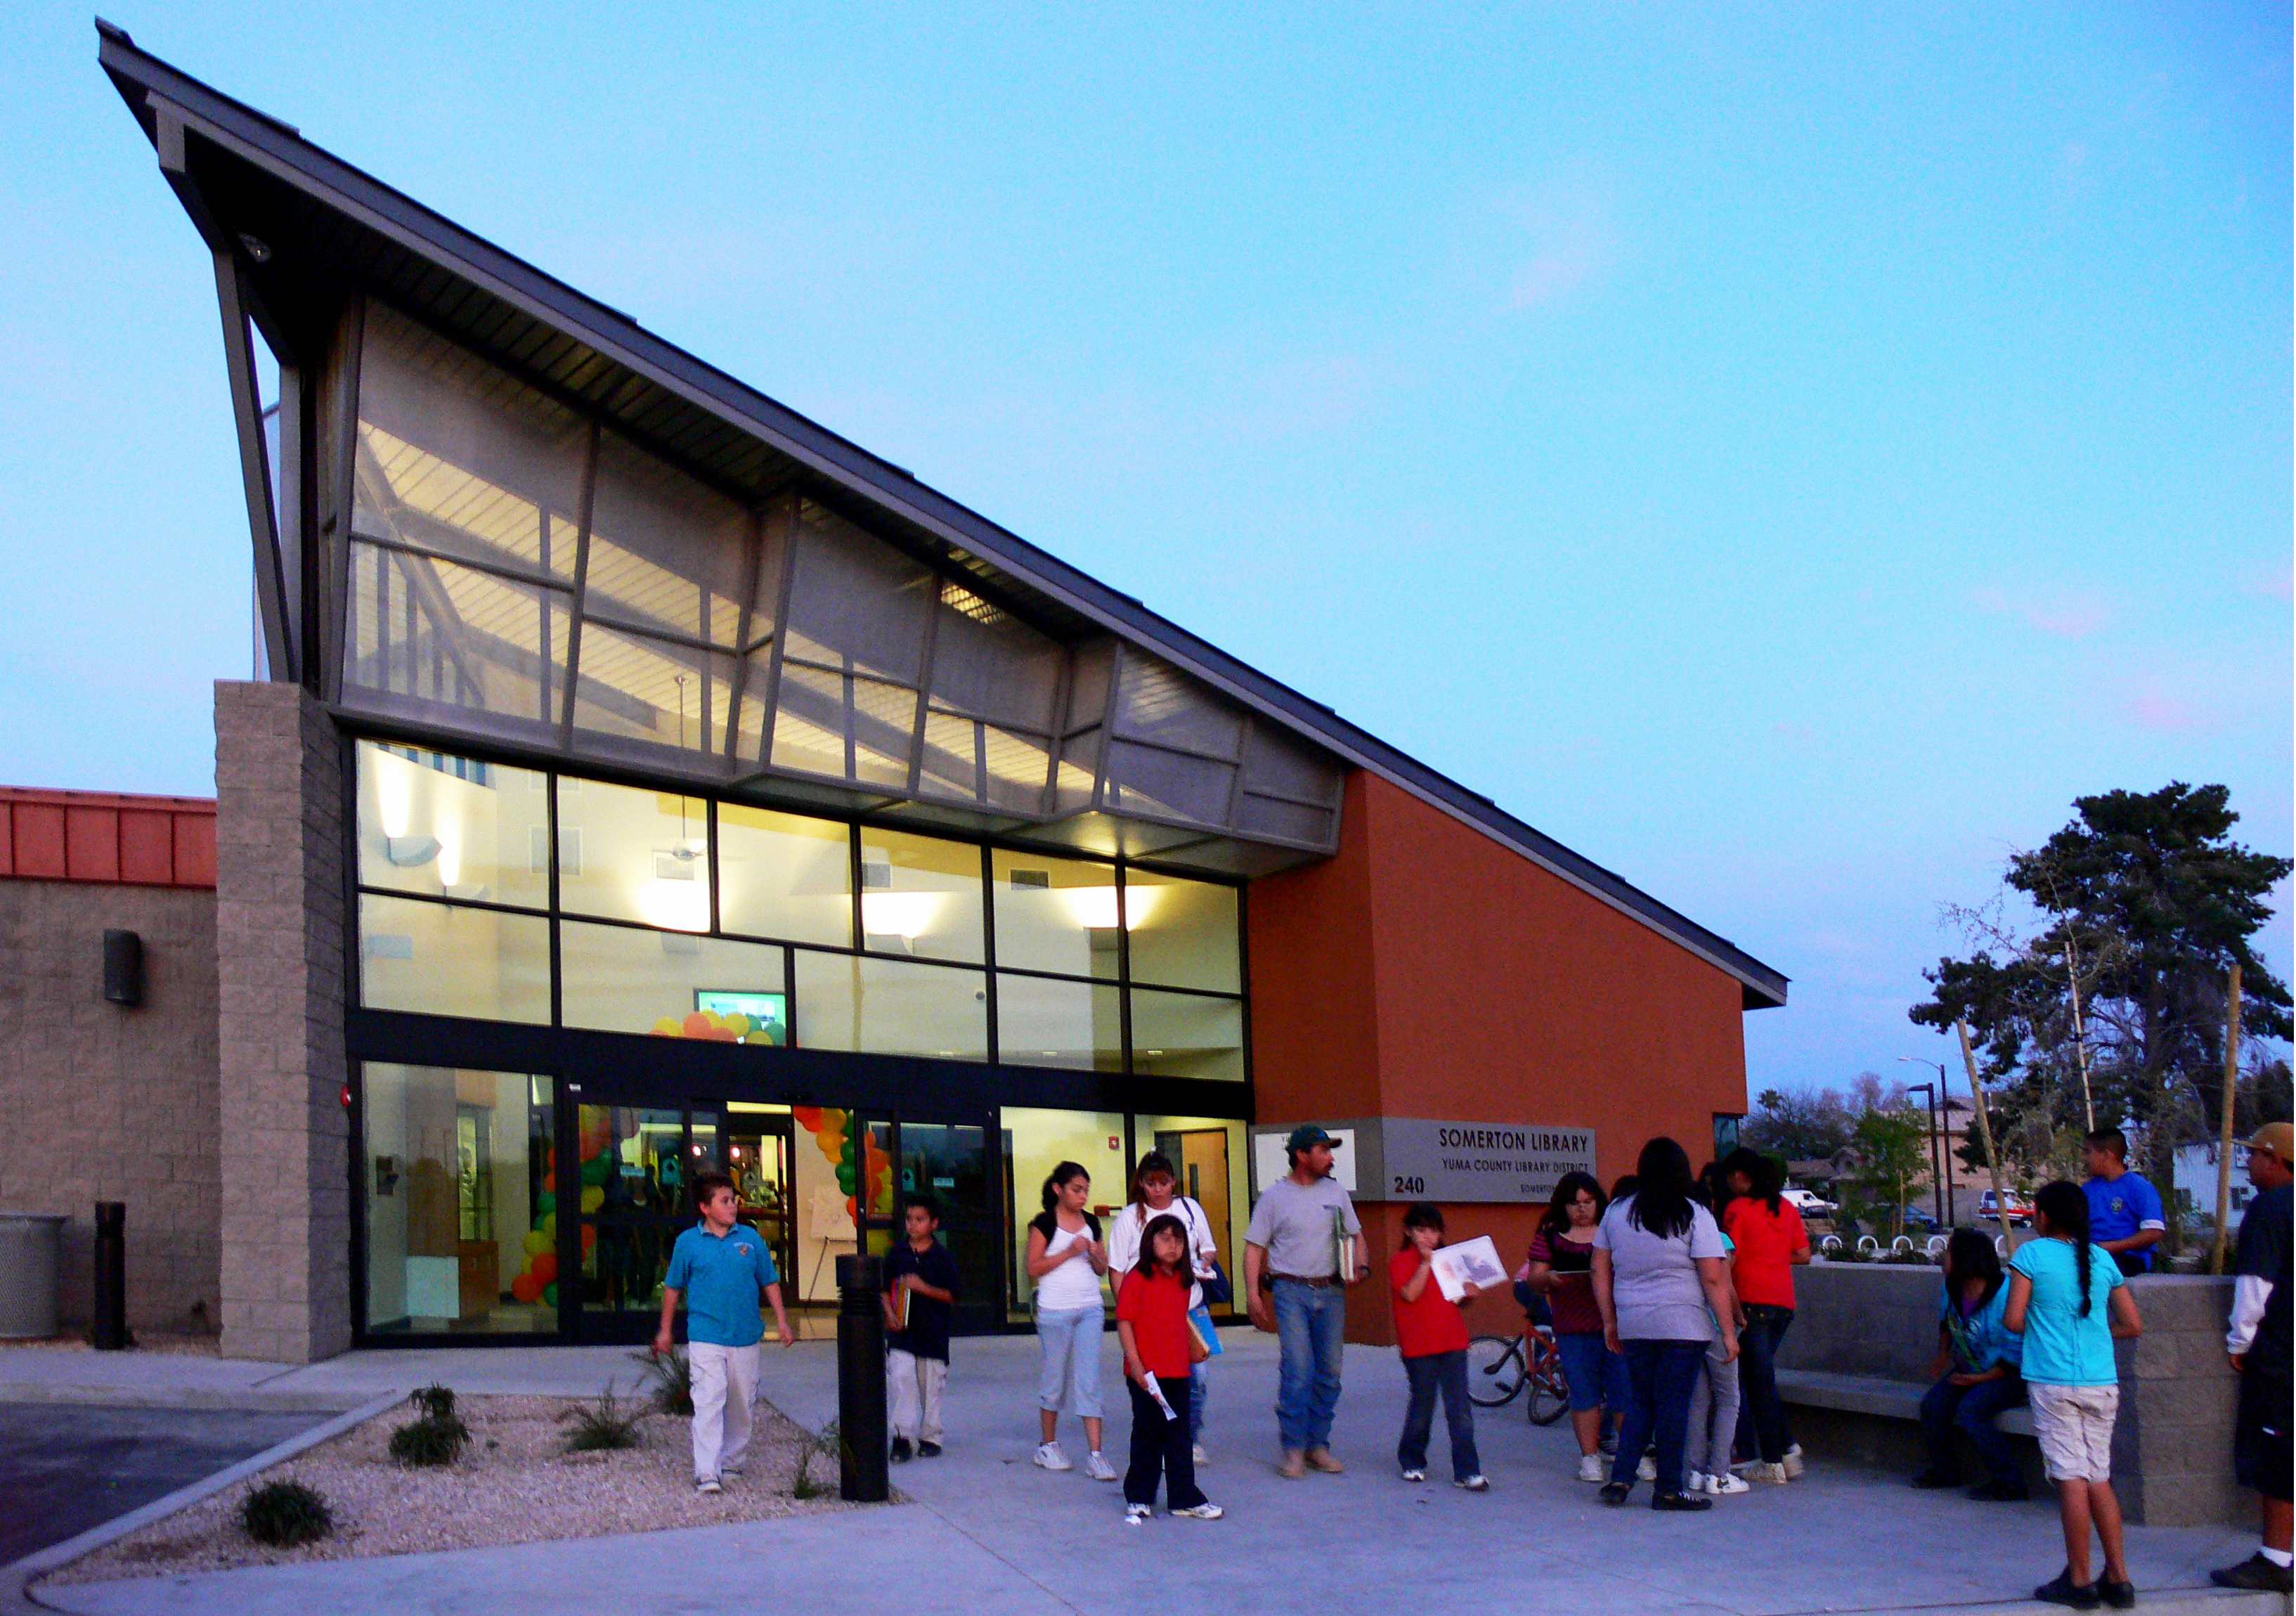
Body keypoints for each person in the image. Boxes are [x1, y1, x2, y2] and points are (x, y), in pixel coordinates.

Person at [2005, 1179, 2145, 1610]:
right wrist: (2096, 1333)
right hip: (2102, 1382)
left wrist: (2049, 1332)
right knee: (2097, 1475)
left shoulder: (2030, 1254)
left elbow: (2012, 1320)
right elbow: (2133, 1324)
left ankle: (2080, 1579)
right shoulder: (2103, 1259)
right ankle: (2119, 1578)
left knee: (2071, 1478)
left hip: (2054, 1383)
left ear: (2043, 1216)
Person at [1592, 1137, 1738, 1511]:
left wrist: (1610, 1320)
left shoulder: (1617, 1212)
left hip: (1634, 1320)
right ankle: (1669, 1489)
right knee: (1674, 1405)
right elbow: (1713, 1278)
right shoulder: (1695, 1213)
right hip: (1683, 1324)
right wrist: (1727, 1330)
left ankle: (1621, 1480)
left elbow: (1599, 1268)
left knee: (1640, 1401)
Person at [652, 1170, 796, 1494]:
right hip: (705, 1336)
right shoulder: (688, 1242)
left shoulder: (751, 1239)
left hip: (745, 1336)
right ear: (705, 1207)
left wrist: (783, 1321)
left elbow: (769, 1281)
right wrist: (665, 1330)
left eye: (734, 1200)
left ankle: (732, 1461)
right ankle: (707, 1472)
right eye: (725, 1201)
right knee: (707, 1400)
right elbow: (673, 1288)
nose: (733, 1206)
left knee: (742, 1402)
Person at [1243, 1123, 1368, 1479]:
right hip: (1290, 1291)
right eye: (1323, 1151)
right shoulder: (1274, 1197)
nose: (1330, 1158)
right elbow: (1254, 1248)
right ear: (1302, 1155)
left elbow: (1357, 1236)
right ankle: (1294, 1448)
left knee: (1330, 1372)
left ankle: (1318, 1445)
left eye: (1330, 1151)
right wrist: (1253, 1294)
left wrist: (1361, 1265)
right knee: (1298, 1371)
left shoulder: (1337, 1193)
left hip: (1331, 1291)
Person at [2212, 1122, 2293, 1594]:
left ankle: (2276, 1558)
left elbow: (2254, 1288)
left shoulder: (2269, 1208)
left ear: (2275, 1159)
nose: (2248, 1163)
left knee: (2278, 1452)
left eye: (2254, 1155)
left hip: (2282, 1356)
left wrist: (2238, 1343)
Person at [1107, 1150, 1222, 1467]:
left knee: (1197, 1376)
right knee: (1153, 1379)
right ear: (1142, 1185)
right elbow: (1116, 1268)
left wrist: (1202, 1263)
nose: (1158, 1189)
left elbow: (1208, 1248)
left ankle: (1189, 1437)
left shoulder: (1190, 1208)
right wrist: (1127, 1308)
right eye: (1151, 1183)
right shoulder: (1130, 1217)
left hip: (1191, 1305)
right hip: (1148, 1309)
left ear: (1173, 1181)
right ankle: (1159, 1441)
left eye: (1164, 1182)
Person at [1115, 1212, 1223, 1522]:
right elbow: (1125, 1322)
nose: (1173, 1246)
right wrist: (1135, 1364)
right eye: (1165, 1238)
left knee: (1179, 1437)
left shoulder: (1183, 1280)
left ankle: (1184, 1497)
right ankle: (1138, 1496)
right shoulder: (1137, 1278)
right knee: (1147, 1434)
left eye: (1178, 1240)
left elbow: (1180, 1322)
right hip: (1146, 1373)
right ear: (1150, 1242)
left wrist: (1197, 1348)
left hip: (1178, 1371)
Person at [1525, 1170, 1630, 1482]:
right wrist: (1548, 1278)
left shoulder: (1615, 1232)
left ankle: (1630, 1454)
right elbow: (1533, 1278)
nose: (1582, 1209)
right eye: (1574, 1203)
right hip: (1573, 1328)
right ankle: (1590, 1458)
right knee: (1584, 1395)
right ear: (1563, 1206)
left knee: (1624, 1393)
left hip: (1615, 1325)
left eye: (1588, 1201)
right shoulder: (1549, 1237)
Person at [1913, 1226, 2028, 1501]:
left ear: (1966, 1258)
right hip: (1972, 1370)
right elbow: (1946, 1322)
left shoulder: (2006, 1294)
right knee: (1932, 1406)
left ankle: (2010, 1482)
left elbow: (2016, 1354)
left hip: (2009, 1374)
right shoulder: (1951, 1287)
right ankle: (1946, 1471)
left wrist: (1977, 1380)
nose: (1944, 1257)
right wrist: (1943, 1354)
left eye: (1950, 1252)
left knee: (1971, 1410)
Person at [1720, 1146, 1810, 1483]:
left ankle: (1775, 1458)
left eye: (1731, 1176)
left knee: (1759, 1384)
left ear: (1741, 1176)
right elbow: (1803, 1254)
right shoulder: (1785, 1208)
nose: (1729, 1183)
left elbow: (1728, 1256)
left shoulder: (1737, 1209)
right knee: (1760, 1379)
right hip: (1782, 1303)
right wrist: (1772, 1256)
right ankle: (1785, 1451)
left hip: (1751, 1303)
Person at [1025, 1161, 1117, 1480]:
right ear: (1058, 1189)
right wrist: (1068, 1251)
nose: (1083, 1196)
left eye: (1086, 1190)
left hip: (1090, 1307)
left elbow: (1102, 1269)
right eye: (1077, 1190)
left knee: (1089, 1379)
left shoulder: (1091, 1223)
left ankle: (1096, 1454)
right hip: (1055, 1310)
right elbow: (1033, 1268)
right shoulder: (1044, 1223)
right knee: (1054, 1376)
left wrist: (1095, 1255)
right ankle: (1047, 1444)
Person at [1389, 1202, 1488, 1490]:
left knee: (1460, 1408)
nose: (1428, 1237)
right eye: (1421, 1230)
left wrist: (1471, 1293)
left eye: (1433, 1230)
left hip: (1452, 1341)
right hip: (1418, 1347)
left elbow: (1458, 1299)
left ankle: (1467, 1471)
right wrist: (1426, 1263)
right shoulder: (1401, 1261)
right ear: (1409, 1232)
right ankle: (1412, 1461)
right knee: (1423, 1405)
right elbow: (1409, 1294)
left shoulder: (1450, 1259)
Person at [1682, 1179, 1747, 1498]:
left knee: (1698, 1401)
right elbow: (1725, 1285)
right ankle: (1718, 1473)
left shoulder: (1679, 1235)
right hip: (1715, 1327)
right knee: (1728, 1399)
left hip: (1690, 1327)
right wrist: (1737, 1319)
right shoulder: (1718, 1238)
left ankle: (1693, 1470)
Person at [883, 1193, 959, 1462]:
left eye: (920, 1219)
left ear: (934, 1223)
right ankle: (902, 1437)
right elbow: (884, 1287)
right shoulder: (897, 1253)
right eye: (909, 1219)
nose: (913, 1225)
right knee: (902, 1380)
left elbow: (952, 1294)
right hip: (902, 1333)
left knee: (931, 1386)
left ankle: (930, 1436)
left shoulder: (942, 1257)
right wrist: (890, 1314)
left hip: (932, 1333)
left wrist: (922, 1288)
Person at [2081, 1128, 2166, 1277]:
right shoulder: (2087, 1189)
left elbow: (2154, 1232)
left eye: (2088, 1152)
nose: (2084, 1159)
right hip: (2093, 1254)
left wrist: (2110, 1247)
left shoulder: (2139, 1187)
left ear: (2107, 1155)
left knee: (2093, 1272)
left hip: (2128, 1257)